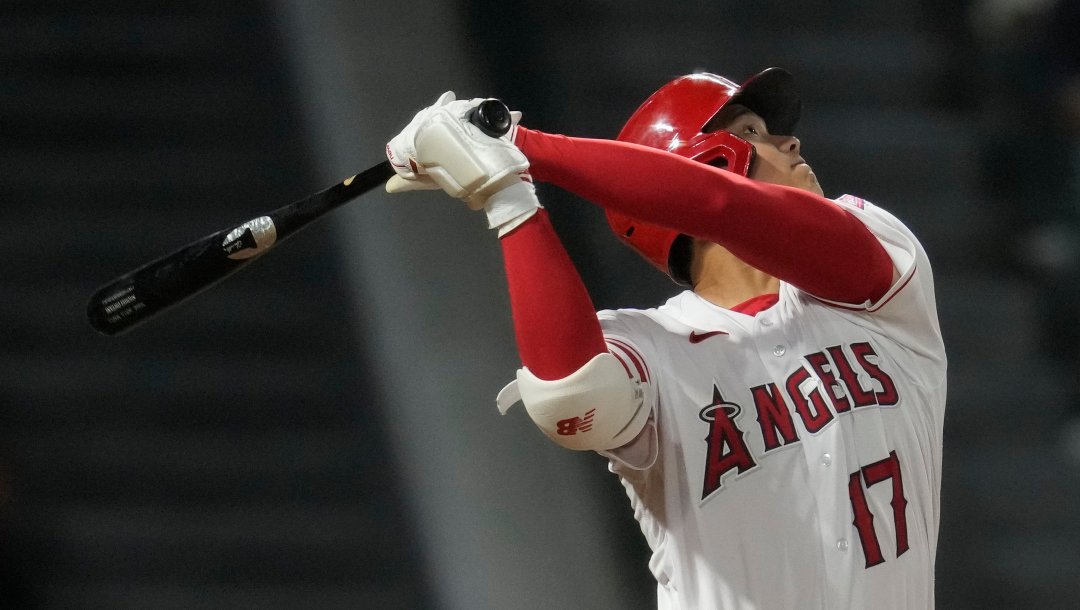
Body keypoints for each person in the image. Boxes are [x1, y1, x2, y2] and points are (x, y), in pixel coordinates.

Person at [385, 68, 947, 609]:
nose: (791, 141)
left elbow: (721, 205)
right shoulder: (653, 343)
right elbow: (569, 396)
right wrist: (508, 195)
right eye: (750, 131)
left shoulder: (881, 274)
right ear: (709, 161)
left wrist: (520, 143)